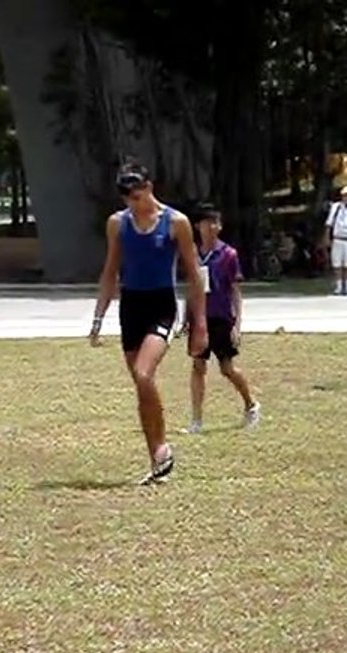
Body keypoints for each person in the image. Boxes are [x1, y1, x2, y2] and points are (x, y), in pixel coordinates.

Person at [88, 162, 208, 485]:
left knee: (144, 373)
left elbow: (195, 275)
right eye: (129, 199)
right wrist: (99, 317)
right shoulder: (118, 224)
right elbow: (110, 271)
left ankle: (162, 446)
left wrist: (199, 323)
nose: (134, 204)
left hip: (161, 306)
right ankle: (157, 460)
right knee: (141, 386)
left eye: (138, 196)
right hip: (131, 307)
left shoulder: (176, 222)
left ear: (150, 188)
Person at [178, 204, 261, 435]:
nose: (212, 227)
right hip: (199, 318)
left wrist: (237, 324)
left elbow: (235, 291)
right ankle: (196, 420)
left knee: (227, 368)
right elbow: (191, 287)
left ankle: (251, 403)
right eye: (207, 222)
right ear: (198, 226)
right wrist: (186, 317)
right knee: (198, 366)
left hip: (221, 316)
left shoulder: (228, 255)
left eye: (216, 222)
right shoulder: (193, 254)